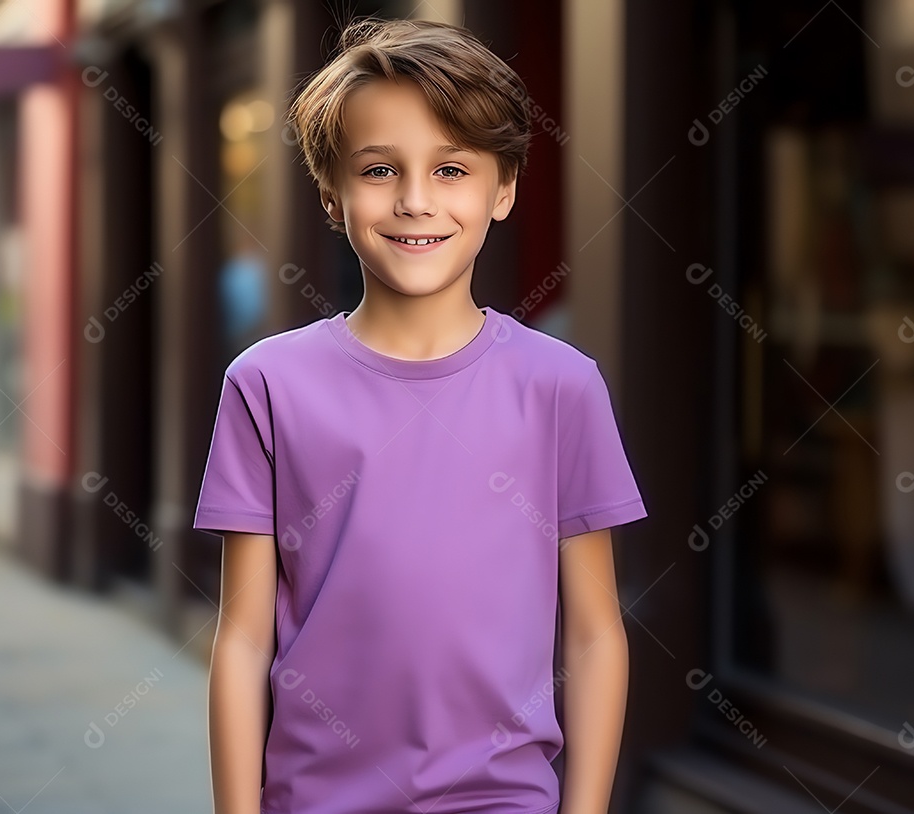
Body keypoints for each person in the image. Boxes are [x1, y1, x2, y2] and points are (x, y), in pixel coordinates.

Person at [193, 16, 648, 814]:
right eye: (378, 169)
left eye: (450, 169)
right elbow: (241, 639)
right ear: (330, 191)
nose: (413, 200)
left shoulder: (560, 386)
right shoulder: (267, 384)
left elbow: (595, 635)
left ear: (502, 188)